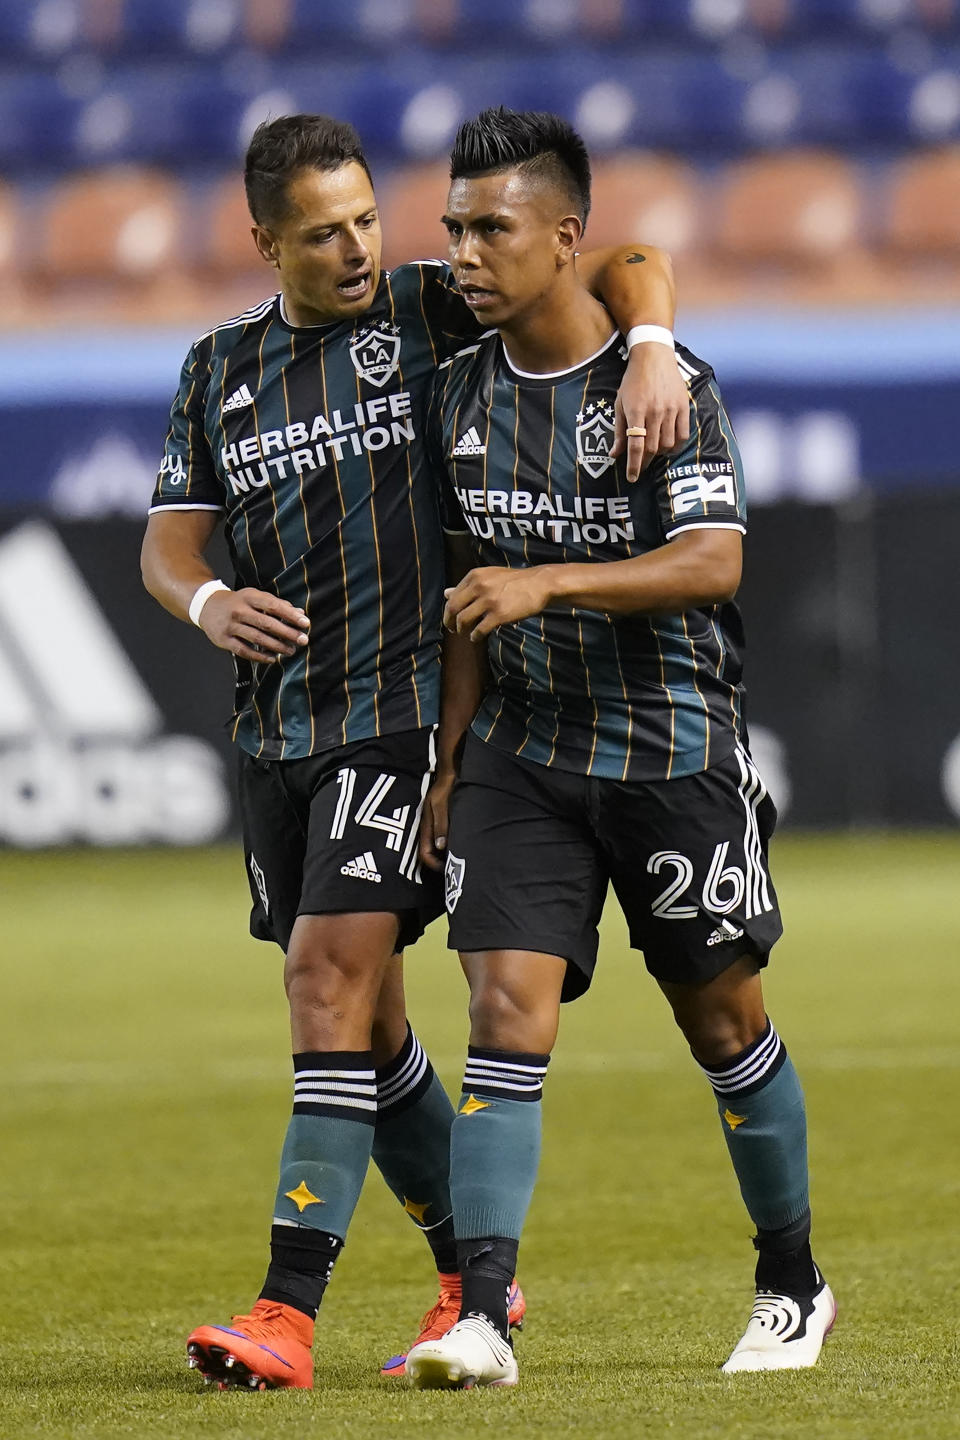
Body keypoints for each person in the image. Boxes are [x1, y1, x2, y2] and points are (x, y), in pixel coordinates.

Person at [139, 112, 690, 1391]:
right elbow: (172, 541)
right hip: (279, 728)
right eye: (323, 232)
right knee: (371, 1026)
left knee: (325, 982)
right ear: (263, 239)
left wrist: (653, 345)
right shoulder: (218, 365)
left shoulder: (433, 309)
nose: (358, 249)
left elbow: (622, 260)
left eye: (369, 219)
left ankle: (286, 1313)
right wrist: (209, 604)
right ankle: (471, 1279)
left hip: (401, 718)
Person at [405, 107, 835, 1390]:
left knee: (724, 1022)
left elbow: (714, 561)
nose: (465, 255)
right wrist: (447, 764)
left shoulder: (665, 385)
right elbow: (472, 598)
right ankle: (482, 1315)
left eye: (493, 230)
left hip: (671, 751)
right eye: (455, 229)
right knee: (501, 1008)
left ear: (564, 240)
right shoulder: (453, 386)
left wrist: (550, 580)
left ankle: (794, 1280)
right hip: (523, 756)